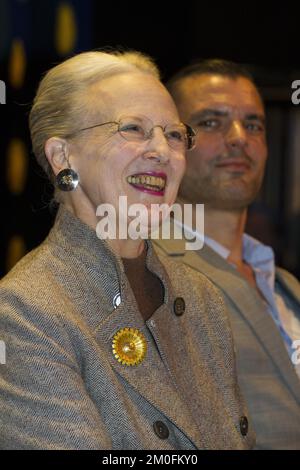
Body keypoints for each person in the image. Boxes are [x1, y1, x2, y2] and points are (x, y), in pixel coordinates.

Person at [0, 51, 254, 450]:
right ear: (63, 157)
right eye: (133, 128)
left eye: (174, 134)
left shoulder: (203, 299)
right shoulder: (25, 313)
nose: (161, 151)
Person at [154, 59, 300, 449]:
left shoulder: (284, 284)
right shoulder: (148, 273)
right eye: (211, 122)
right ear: (169, 144)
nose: (239, 138)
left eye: (254, 124)